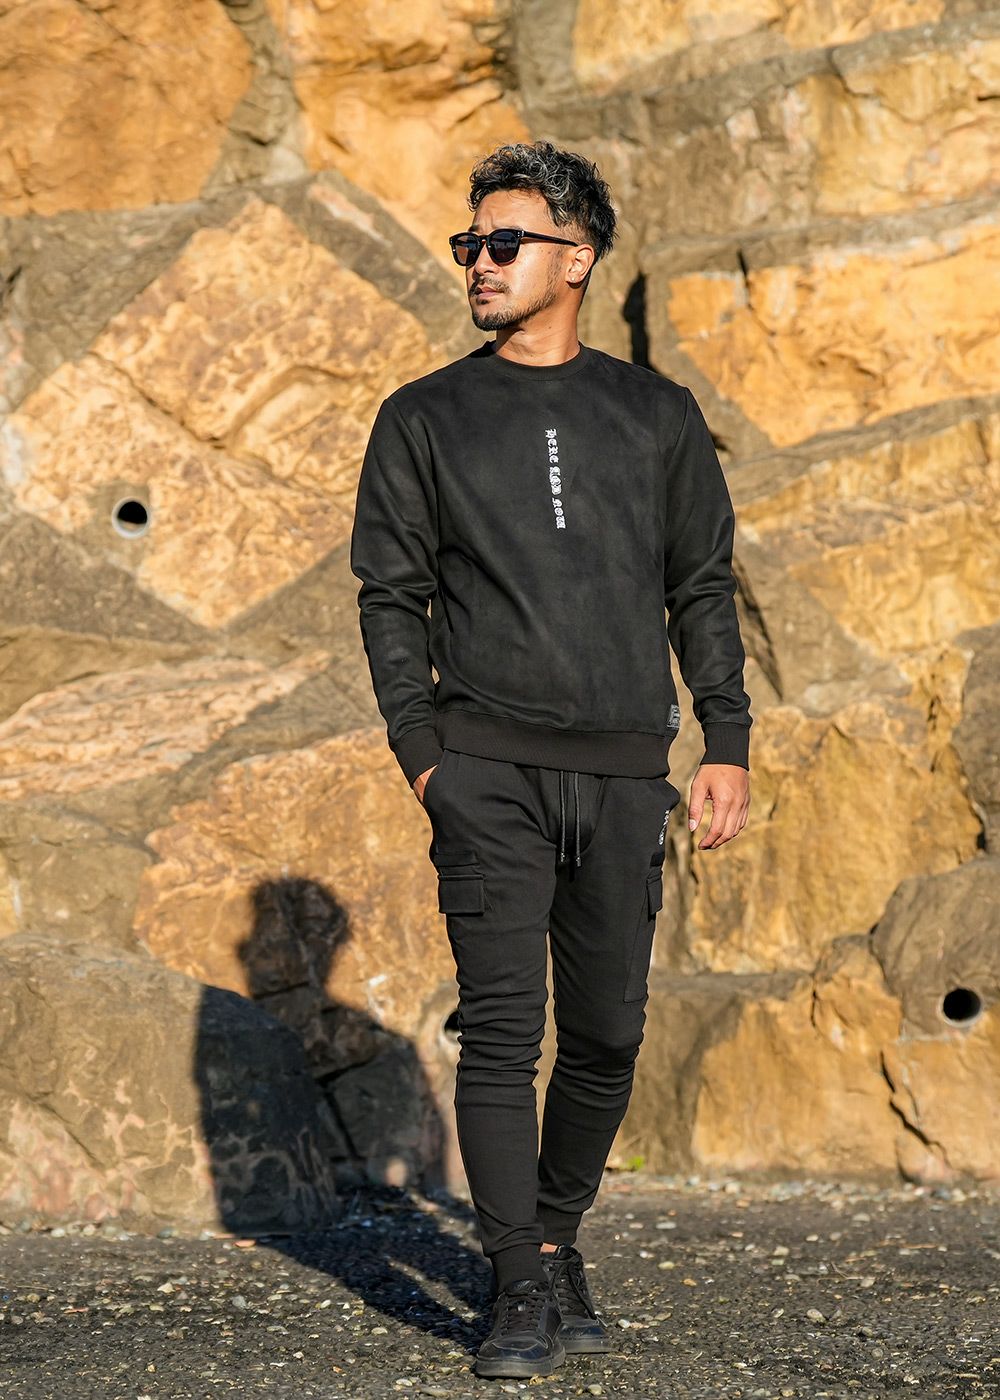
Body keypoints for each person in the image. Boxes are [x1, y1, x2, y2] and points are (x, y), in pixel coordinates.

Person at [349, 139, 753, 1379]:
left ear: (575, 259)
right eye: (469, 243)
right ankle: (516, 1282)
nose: (479, 261)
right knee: (501, 1032)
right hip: (485, 770)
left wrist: (726, 740)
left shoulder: (655, 415)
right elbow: (388, 595)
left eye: (504, 242)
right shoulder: (423, 416)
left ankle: (554, 1233)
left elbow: (700, 583)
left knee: (611, 1031)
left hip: (625, 774)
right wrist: (425, 756)